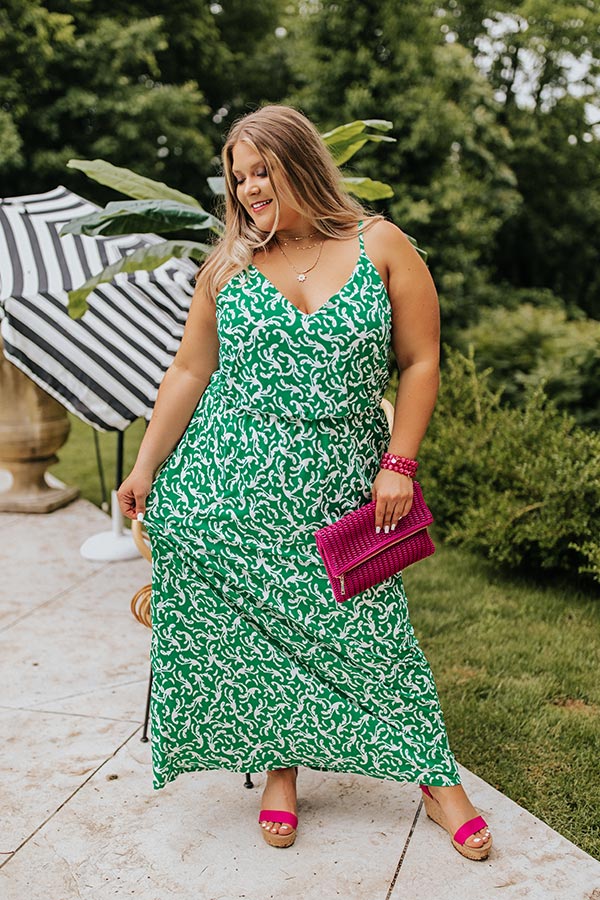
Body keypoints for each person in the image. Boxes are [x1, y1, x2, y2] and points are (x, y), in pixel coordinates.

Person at [117, 104, 492, 859]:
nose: (250, 188)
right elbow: (190, 371)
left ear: (301, 162)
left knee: (374, 635)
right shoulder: (228, 266)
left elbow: (420, 361)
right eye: (239, 177)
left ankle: (436, 779)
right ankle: (280, 771)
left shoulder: (379, 244)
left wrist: (400, 462)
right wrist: (145, 465)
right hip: (229, 482)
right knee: (259, 637)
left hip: (340, 483)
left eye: (263, 171)